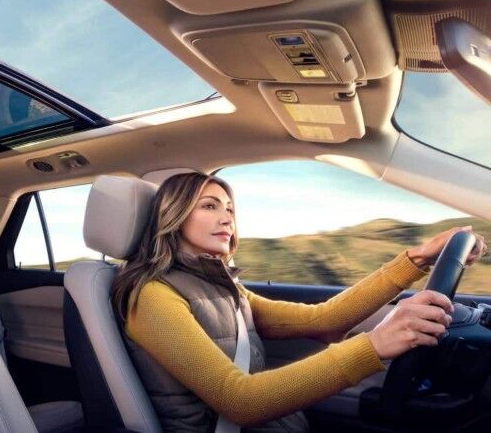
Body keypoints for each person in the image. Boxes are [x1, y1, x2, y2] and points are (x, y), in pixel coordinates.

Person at [111, 172, 487, 432]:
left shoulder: (225, 289)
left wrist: (417, 258)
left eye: (229, 209)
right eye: (209, 206)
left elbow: (324, 320)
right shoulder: (152, 296)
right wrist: (375, 345)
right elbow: (239, 401)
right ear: (173, 216)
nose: (226, 218)